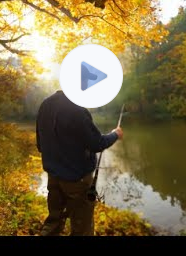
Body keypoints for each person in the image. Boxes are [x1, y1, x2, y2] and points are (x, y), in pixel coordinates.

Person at [36, 88, 124, 236]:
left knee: (53, 222)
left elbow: (40, 145)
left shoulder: (46, 104)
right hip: (77, 181)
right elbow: (97, 143)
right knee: (82, 228)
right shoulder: (77, 110)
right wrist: (115, 134)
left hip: (53, 177)